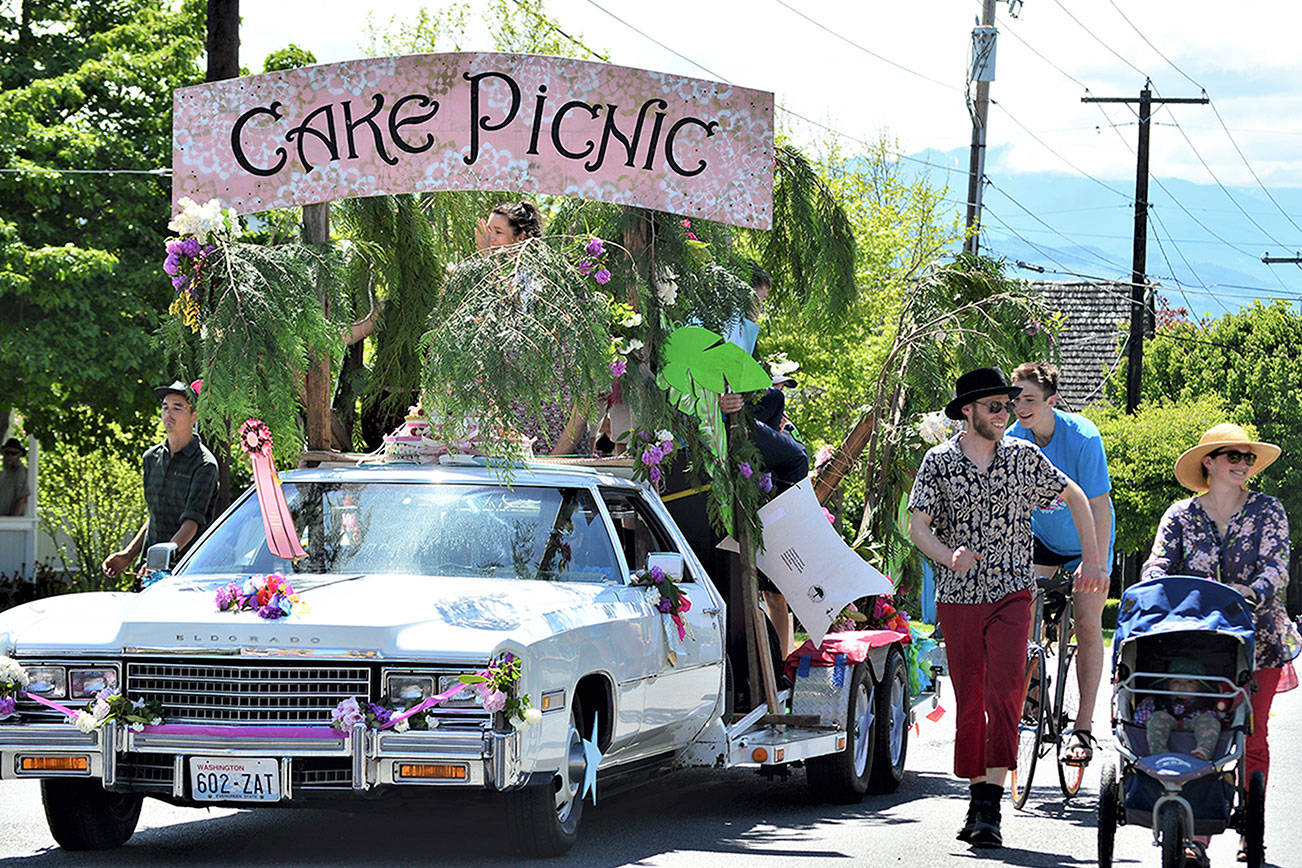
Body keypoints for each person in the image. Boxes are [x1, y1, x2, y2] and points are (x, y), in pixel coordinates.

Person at [908, 367, 1103, 849]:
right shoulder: (939, 462)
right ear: (968, 412)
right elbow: (918, 526)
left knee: (1005, 692)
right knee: (971, 699)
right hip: (959, 596)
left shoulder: (1021, 457)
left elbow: (1075, 495)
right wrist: (946, 555)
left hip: (1013, 592)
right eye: (995, 406)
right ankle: (976, 799)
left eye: (1007, 405)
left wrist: (1094, 556)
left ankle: (990, 806)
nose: (1005, 414)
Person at [1142, 422, 1301, 861]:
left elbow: (1276, 567)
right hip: (1197, 643)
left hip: (1258, 639)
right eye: (1234, 456)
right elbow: (1157, 564)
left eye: (1249, 458)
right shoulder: (1180, 515)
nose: (1244, 464)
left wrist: (1253, 591)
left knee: (1251, 735)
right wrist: (1153, 587)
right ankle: (1196, 837)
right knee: (1196, 730)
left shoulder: (1269, 511)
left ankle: (1252, 825)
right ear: (1209, 462)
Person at [1006, 361, 1114, 766]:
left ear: (1052, 401)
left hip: (1089, 539)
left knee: (1087, 623)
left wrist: (1095, 563)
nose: (1020, 406)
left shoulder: (1084, 437)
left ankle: (1083, 728)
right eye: (1015, 399)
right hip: (1043, 541)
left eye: (1030, 399)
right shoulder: (1013, 439)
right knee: (1020, 611)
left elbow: (1099, 506)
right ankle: (1033, 695)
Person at [718, 266, 808, 655]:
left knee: (775, 400)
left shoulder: (742, 333)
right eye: (757, 302)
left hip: (738, 423)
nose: (759, 311)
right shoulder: (721, 326)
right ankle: (772, 513)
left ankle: (757, 478)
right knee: (797, 460)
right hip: (721, 427)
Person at [474, 201, 584, 456]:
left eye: (498, 232)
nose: (490, 238)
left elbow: (516, 309)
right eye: (488, 230)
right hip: (513, 431)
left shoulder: (545, 283)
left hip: (554, 427)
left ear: (521, 237)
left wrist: (557, 457)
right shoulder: (493, 284)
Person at [101, 381, 219, 582]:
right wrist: (129, 555)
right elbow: (154, 516)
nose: (168, 413)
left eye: (177, 408)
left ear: (195, 416)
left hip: (186, 571)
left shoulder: (205, 465)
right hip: (147, 568)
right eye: (165, 407)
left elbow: (191, 523)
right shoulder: (151, 458)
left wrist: (160, 561)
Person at [1134, 658, 1224, 761]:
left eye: (1189, 682)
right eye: (1176, 681)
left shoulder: (1206, 703)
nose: (1182, 686)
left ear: (1200, 687)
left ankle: (1203, 752)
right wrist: (1150, 720)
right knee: (1157, 717)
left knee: (1209, 720)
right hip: (1164, 724)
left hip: (1194, 724)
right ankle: (1159, 754)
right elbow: (1140, 716)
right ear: (1167, 685)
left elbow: (1215, 719)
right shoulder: (1155, 700)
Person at [0, 438, 29, 517]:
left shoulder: (20, 471)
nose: (9, 456)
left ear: (19, 455)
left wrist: (12, 521)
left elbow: (22, 499)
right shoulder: (4, 473)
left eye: (13, 453)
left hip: (11, 525)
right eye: (7, 452)